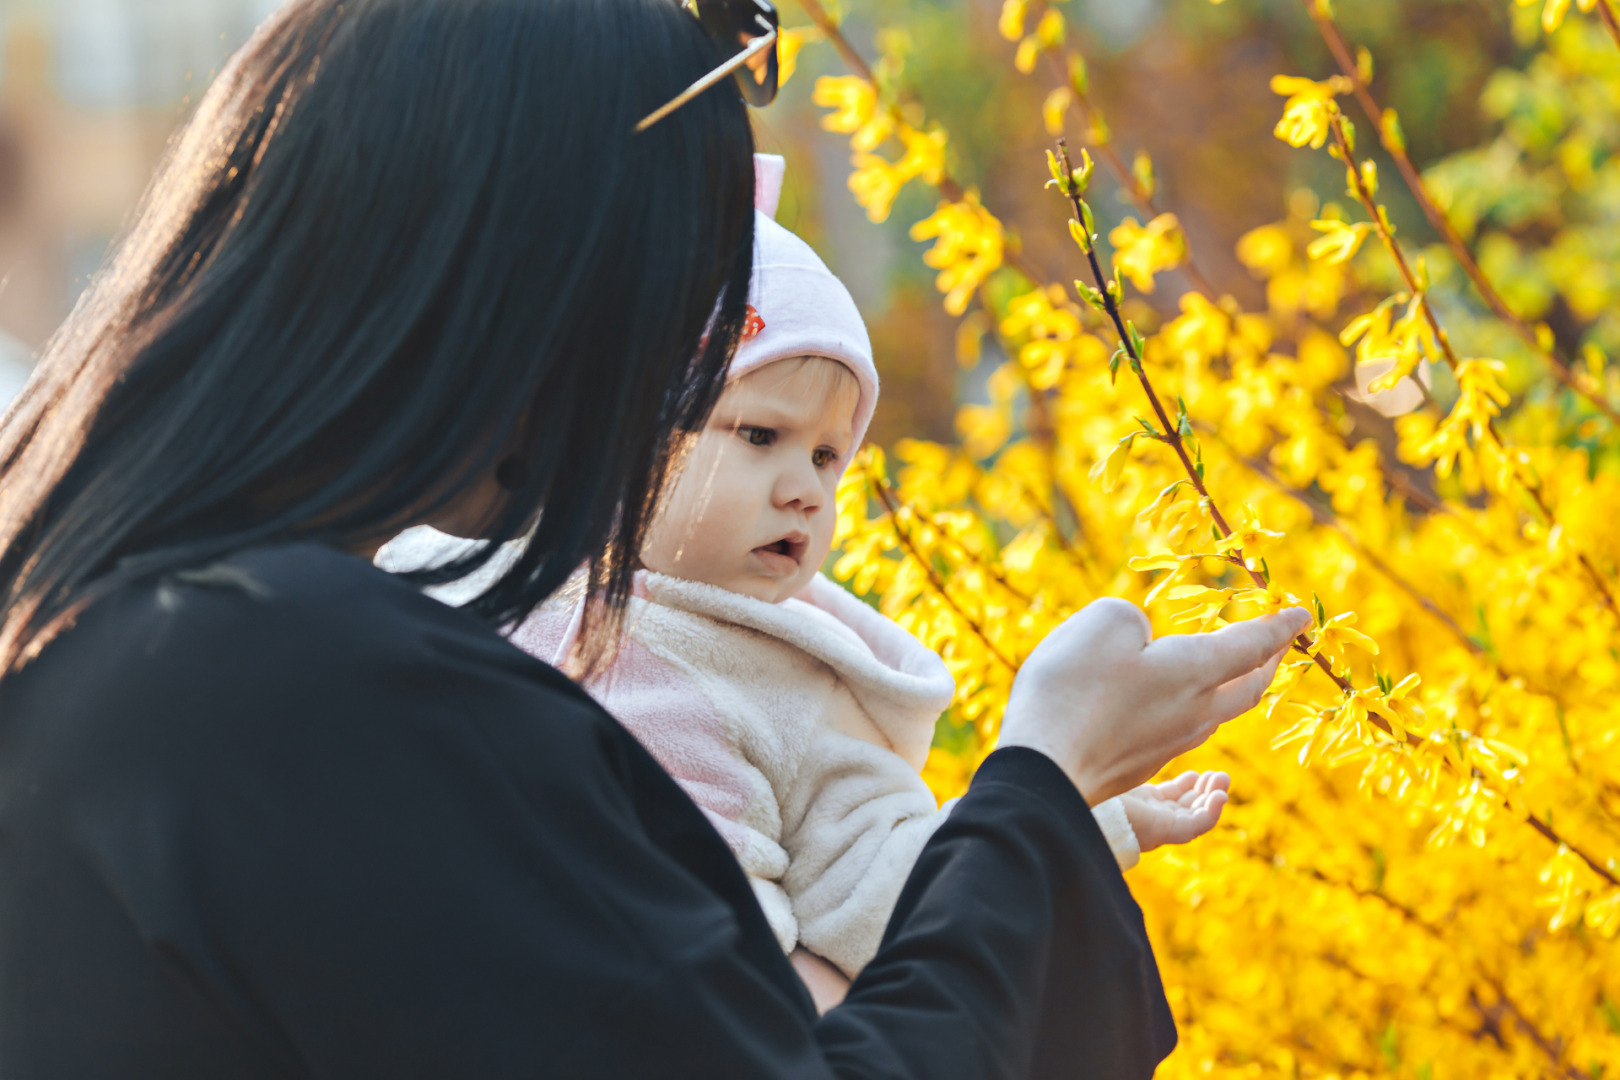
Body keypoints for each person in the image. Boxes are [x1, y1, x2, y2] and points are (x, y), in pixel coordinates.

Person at [0, 0, 1310, 1076]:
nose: (652, 393)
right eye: (669, 301)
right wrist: (1041, 779)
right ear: (527, 282)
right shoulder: (327, 692)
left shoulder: (98, 623)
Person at [383, 157, 1233, 1012]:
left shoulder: (806, 684)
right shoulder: (468, 587)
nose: (808, 488)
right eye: (761, 435)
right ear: (619, 433)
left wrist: (1076, 821)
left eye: (829, 456)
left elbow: (895, 885)